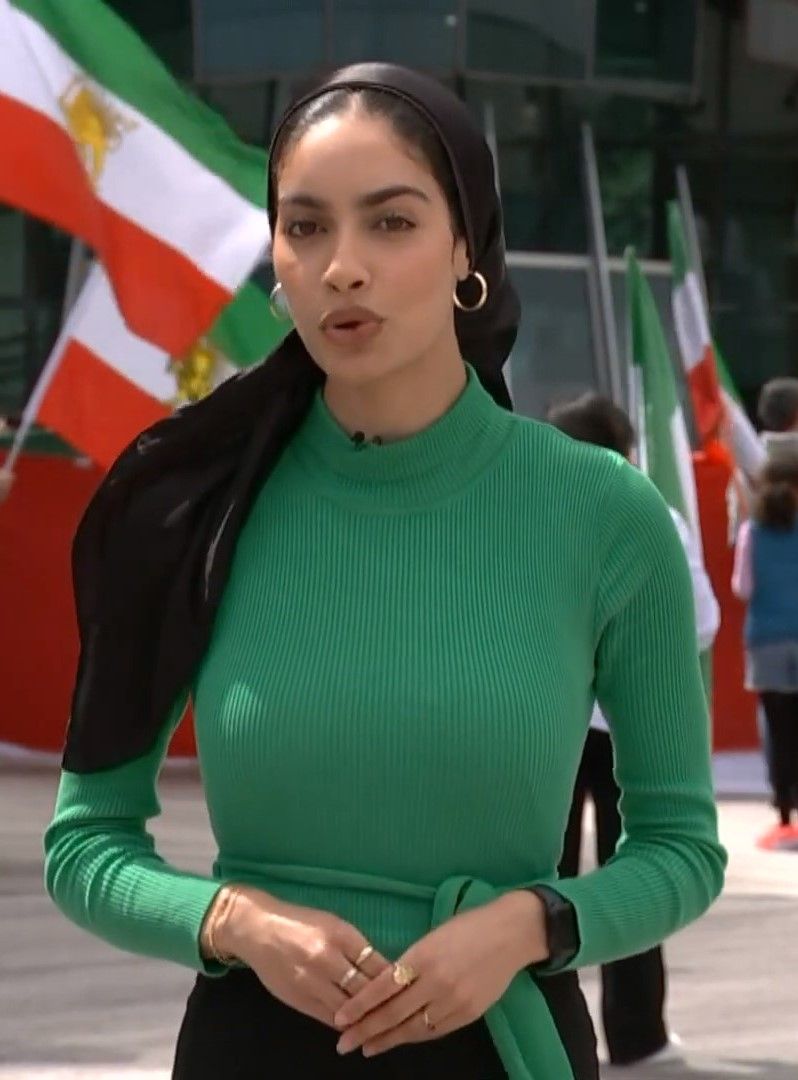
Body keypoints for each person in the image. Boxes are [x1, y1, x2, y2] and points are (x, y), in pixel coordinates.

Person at [43, 64, 726, 1080]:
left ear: (466, 250)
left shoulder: (604, 515)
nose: (343, 268)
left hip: (503, 1050)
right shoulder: (196, 510)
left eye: (392, 223)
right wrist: (234, 921)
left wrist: (530, 923)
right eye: (306, 227)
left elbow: (682, 848)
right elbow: (86, 846)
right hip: (249, 1055)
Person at [548, 394, 720, 1068]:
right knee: (637, 876)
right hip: (627, 719)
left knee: (539, 882)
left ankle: (541, 1037)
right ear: (625, 449)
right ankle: (636, 1033)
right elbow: (701, 619)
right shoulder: (654, 516)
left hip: (549, 724)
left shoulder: (532, 518)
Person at [732, 450, 798, 852]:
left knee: (776, 726)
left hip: (766, 639)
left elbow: (743, 587)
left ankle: (784, 814)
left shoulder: (752, 531)